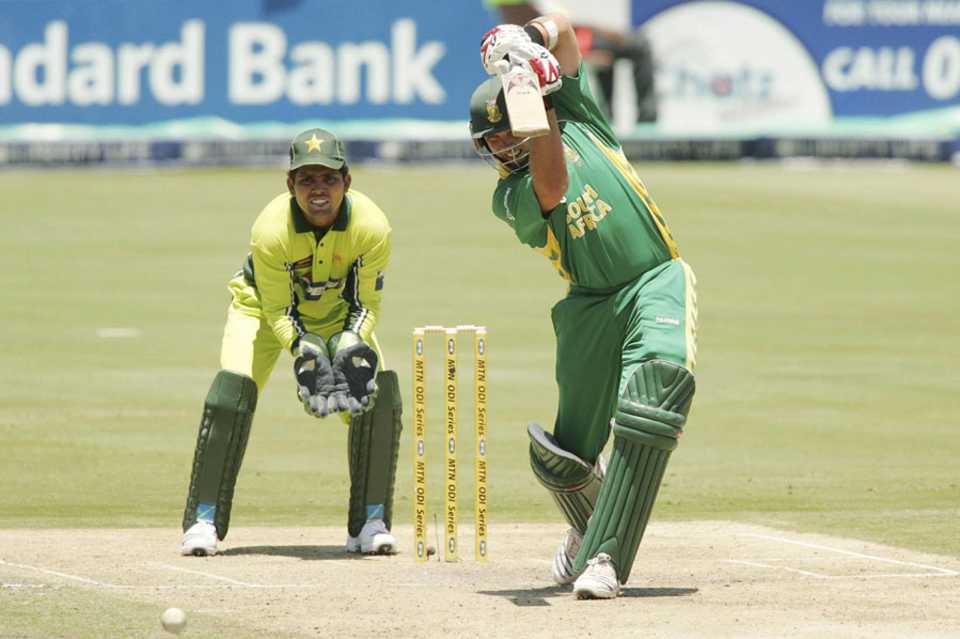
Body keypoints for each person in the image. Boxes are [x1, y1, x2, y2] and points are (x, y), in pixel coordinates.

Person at [471, 14, 697, 599]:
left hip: (654, 278)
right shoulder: (510, 195)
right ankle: (589, 519)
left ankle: (604, 557)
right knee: (563, 459)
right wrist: (530, 96)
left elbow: (568, 31)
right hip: (589, 308)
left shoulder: (579, 118)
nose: (504, 146)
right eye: (492, 141)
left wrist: (530, 41)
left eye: (506, 133)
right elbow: (554, 185)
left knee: (656, 393)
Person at [179, 128, 403, 558]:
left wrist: (349, 343)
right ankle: (202, 521)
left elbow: (367, 303)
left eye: (328, 179)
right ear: (290, 185)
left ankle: (371, 522)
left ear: (347, 181)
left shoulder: (372, 226)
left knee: (375, 392)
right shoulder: (271, 230)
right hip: (259, 311)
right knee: (233, 390)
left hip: (340, 314)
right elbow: (278, 311)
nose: (318, 189)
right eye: (307, 180)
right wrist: (306, 352)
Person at [485, 0, 658, 123]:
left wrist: (607, 34)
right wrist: (582, 54)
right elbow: (531, 36)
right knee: (627, 51)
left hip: (574, 37)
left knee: (636, 45)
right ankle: (631, 121)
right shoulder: (516, 11)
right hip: (562, 44)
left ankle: (637, 122)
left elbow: (563, 23)